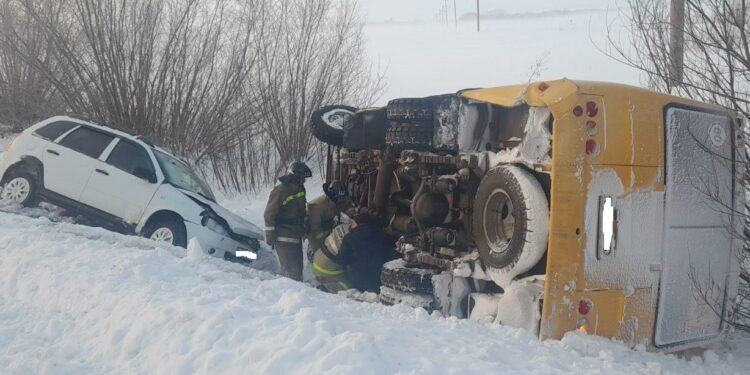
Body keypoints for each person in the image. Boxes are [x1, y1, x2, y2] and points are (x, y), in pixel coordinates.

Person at [264, 161, 312, 281]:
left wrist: (305, 229)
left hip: (295, 235)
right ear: (296, 176)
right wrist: (270, 236)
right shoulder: (281, 190)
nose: (304, 181)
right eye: (302, 178)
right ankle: (285, 297)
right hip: (283, 236)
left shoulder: (300, 189)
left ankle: (298, 297)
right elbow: (269, 214)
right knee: (289, 275)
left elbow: (301, 212)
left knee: (298, 271)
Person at [337, 213, 395, 292]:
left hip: (357, 281)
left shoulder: (349, 238)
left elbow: (342, 260)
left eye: (353, 223)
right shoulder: (382, 235)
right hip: (378, 280)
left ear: (359, 224)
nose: (351, 225)